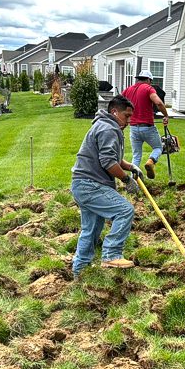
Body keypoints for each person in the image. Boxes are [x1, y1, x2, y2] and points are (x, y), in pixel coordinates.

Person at [70, 95, 143, 276]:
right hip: (90, 185)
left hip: (82, 185)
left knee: (91, 229)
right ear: (114, 112)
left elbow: (113, 158)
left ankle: (79, 270)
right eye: (126, 116)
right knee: (124, 210)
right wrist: (126, 180)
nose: (129, 121)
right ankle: (111, 254)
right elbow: (108, 162)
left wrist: (130, 166)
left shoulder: (104, 125)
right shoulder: (108, 129)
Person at [122, 69, 170, 179]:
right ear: (148, 80)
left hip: (133, 128)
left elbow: (119, 103)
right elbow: (158, 102)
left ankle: (133, 180)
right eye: (151, 81)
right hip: (147, 127)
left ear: (138, 79)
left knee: (136, 155)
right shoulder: (148, 88)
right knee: (158, 147)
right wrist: (166, 115)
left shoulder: (128, 90)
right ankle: (151, 161)